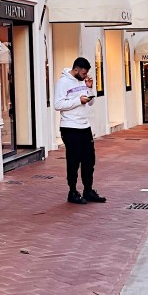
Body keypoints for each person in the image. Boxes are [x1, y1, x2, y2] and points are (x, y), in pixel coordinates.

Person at [54, 57, 106, 205]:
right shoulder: (62, 82)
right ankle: (72, 191)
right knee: (74, 160)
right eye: (83, 74)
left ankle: (88, 190)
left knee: (89, 160)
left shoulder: (83, 81)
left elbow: (90, 102)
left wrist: (89, 88)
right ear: (76, 70)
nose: (85, 76)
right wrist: (78, 101)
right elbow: (58, 104)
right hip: (70, 127)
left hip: (85, 126)